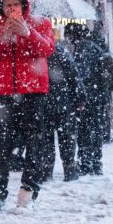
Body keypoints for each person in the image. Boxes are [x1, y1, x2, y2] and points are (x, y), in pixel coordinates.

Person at [0, 0, 54, 211]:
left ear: (23, 4)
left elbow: (47, 49)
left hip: (32, 93)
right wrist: (3, 36)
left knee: (34, 143)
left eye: (15, 4)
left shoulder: (40, 24)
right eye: (7, 4)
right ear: (0, 7)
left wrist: (27, 33)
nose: (11, 8)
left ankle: (28, 193)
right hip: (4, 93)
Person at [65, 23, 108, 176]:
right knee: (95, 129)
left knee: (84, 130)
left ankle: (86, 163)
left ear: (74, 35)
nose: (68, 39)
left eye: (68, 35)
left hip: (88, 96)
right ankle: (96, 163)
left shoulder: (83, 48)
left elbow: (82, 75)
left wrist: (78, 93)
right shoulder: (96, 47)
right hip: (99, 95)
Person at [39, 40, 81, 182]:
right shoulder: (62, 53)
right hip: (64, 103)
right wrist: (80, 97)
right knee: (67, 138)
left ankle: (46, 170)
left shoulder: (38, 52)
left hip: (44, 102)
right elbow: (74, 77)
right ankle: (69, 170)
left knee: (46, 139)